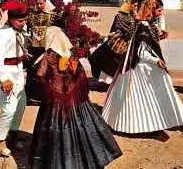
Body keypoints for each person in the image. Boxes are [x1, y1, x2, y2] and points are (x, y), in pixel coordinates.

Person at [30, 26, 122, 169]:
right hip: (77, 103)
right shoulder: (71, 54)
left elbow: (40, 78)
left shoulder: (47, 57)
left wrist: (45, 93)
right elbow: (82, 79)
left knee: (55, 135)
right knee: (84, 132)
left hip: (54, 105)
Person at [102, 0, 183, 135]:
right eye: (159, 10)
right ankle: (140, 126)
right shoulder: (143, 27)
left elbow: (148, 44)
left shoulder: (145, 24)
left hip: (142, 66)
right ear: (151, 9)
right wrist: (155, 61)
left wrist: (159, 36)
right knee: (142, 98)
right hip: (141, 68)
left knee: (146, 98)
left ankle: (148, 126)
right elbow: (141, 52)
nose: (161, 13)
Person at [0, 0, 29, 156]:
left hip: (18, 71)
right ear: (11, 19)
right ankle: (0, 140)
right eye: (20, 20)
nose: (23, 23)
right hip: (5, 72)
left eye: (25, 20)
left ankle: (12, 133)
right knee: (8, 109)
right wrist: (4, 78)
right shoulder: (2, 33)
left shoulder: (20, 29)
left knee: (21, 105)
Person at [88, 0, 138, 84]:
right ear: (129, 5)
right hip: (116, 42)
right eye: (134, 5)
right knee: (100, 58)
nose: (136, 7)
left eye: (137, 6)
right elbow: (114, 29)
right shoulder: (120, 15)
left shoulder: (135, 16)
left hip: (127, 44)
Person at [25, 0, 56, 105]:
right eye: (37, 4)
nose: (38, 6)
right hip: (33, 47)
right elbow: (28, 29)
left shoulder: (53, 15)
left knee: (46, 72)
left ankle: (44, 95)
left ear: (46, 3)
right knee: (32, 71)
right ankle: (30, 96)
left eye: (41, 3)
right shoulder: (31, 15)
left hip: (47, 47)